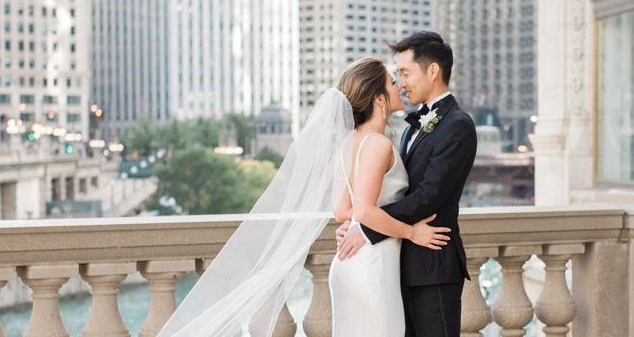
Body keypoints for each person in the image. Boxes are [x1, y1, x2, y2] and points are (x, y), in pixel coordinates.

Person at [156, 56, 449, 337]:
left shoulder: (350, 142)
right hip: (371, 266)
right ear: (379, 99)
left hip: (352, 265)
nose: (398, 84)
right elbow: (363, 211)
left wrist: (361, 223)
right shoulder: (377, 144)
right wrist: (412, 232)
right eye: (390, 81)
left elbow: (342, 211)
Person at [336, 31, 477, 337]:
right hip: (395, 262)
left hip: (432, 264)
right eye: (396, 77)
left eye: (405, 73)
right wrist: (360, 218)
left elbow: (428, 196)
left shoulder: (457, 126)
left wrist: (366, 225)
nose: (401, 83)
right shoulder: (408, 128)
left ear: (433, 71)